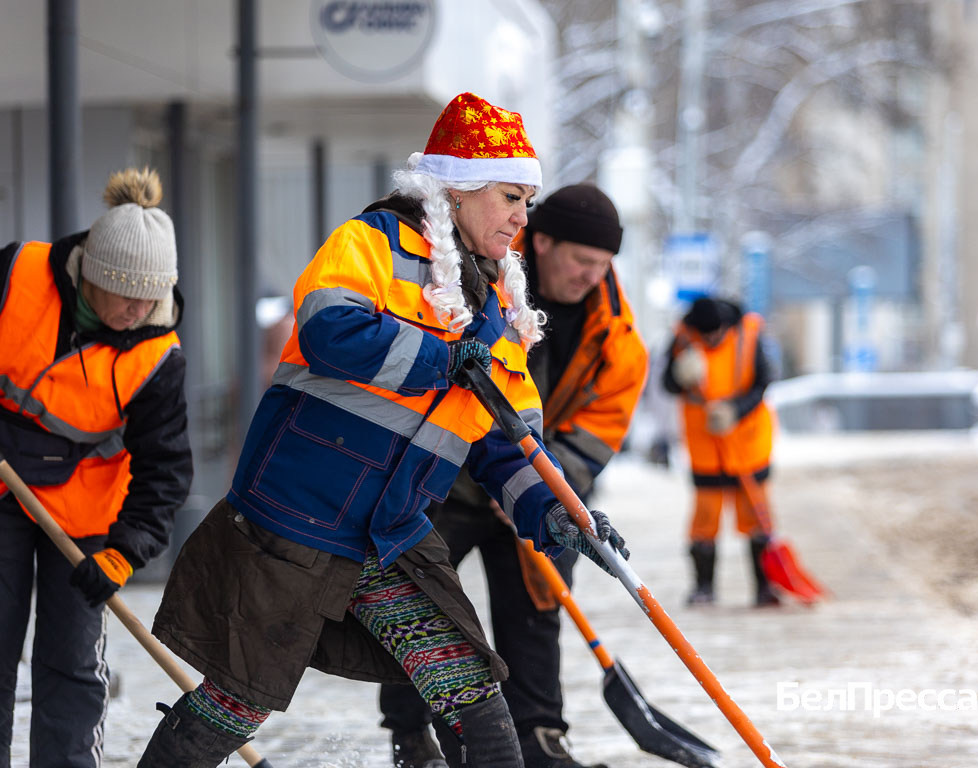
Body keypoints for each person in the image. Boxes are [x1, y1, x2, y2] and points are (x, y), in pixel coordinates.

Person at [135, 93, 629, 768]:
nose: (521, 216)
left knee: (474, 698)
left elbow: (509, 441)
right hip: (294, 523)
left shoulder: (500, 311)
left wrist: (561, 513)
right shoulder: (370, 244)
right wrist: (441, 359)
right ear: (457, 189)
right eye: (511, 196)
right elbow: (326, 329)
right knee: (236, 700)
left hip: (390, 535)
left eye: (527, 201)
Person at [379, 184, 648, 768]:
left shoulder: (615, 335)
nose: (591, 276)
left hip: (536, 494)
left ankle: (541, 739)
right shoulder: (483, 274)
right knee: (421, 608)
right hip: (446, 479)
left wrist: (544, 486)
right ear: (542, 242)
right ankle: (411, 734)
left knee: (537, 610)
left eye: (603, 266)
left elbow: (598, 430)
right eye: (581, 261)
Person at [0, 167, 193, 767]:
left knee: (74, 665)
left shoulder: (158, 355)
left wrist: (125, 551)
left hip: (85, 518)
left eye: (152, 295)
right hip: (4, 489)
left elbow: (166, 467)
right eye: (128, 295)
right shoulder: (15, 277)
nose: (141, 310)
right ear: (92, 276)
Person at [661, 295, 779, 607]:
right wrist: (679, 375)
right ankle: (703, 587)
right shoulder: (682, 338)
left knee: (756, 516)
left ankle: (765, 587)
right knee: (705, 519)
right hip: (705, 446)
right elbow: (667, 385)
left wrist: (734, 410)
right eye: (706, 335)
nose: (711, 339)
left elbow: (763, 381)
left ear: (727, 326)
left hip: (747, 441)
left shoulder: (750, 334)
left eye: (717, 334)